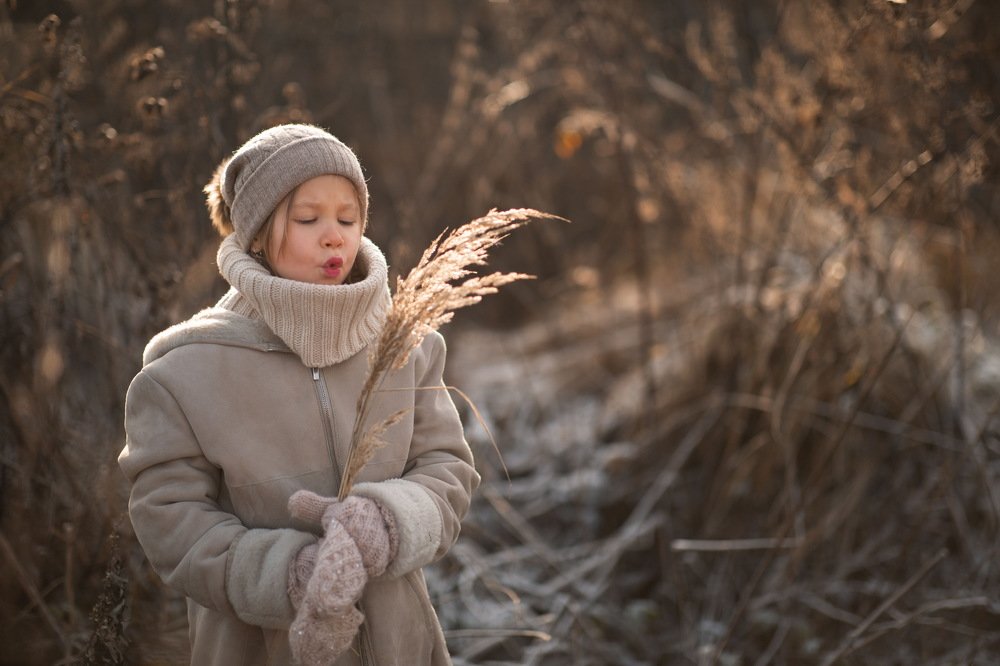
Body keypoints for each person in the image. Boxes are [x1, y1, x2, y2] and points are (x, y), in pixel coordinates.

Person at [118, 124, 480, 665]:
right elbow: (169, 521)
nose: (334, 236)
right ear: (258, 234)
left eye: (348, 218)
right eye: (308, 219)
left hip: (399, 645)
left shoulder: (408, 344)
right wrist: (287, 573)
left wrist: (388, 521)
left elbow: (449, 470)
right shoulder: (184, 373)